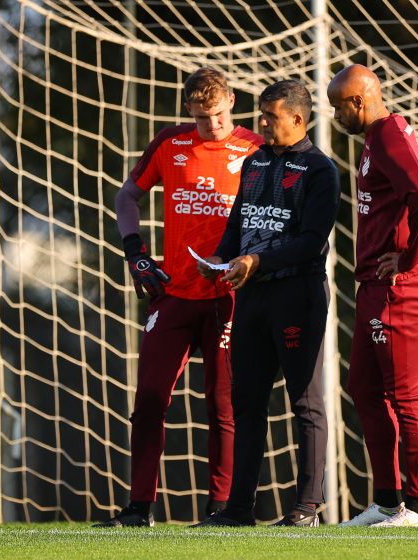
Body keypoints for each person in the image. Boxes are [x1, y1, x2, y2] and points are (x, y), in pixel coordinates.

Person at [93, 67, 262, 527]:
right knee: (149, 397)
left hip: (229, 297)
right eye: (204, 118)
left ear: (232, 102)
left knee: (222, 403)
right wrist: (136, 254)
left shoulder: (255, 148)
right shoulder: (171, 143)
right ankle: (138, 508)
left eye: (221, 115)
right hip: (174, 294)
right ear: (190, 110)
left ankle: (220, 508)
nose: (214, 126)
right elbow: (128, 195)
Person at [193, 79, 340, 528]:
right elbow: (240, 219)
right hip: (252, 296)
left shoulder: (321, 170)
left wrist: (258, 259)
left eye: (270, 116)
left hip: (296, 295)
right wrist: (221, 255)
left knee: (305, 402)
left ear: (297, 119)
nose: (261, 123)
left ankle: (307, 508)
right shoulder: (255, 160)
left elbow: (313, 242)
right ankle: (238, 510)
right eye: (260, 114)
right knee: (246, 401)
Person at [327, 64, 418, 527]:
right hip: (376, 283)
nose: (336, 115)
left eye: (340, 106)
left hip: (401, 284)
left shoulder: (390, 133)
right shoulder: (376, 138)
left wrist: (410, 260)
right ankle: (387, 500)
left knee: (407, 394)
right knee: (364, 385)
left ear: (359, 101)